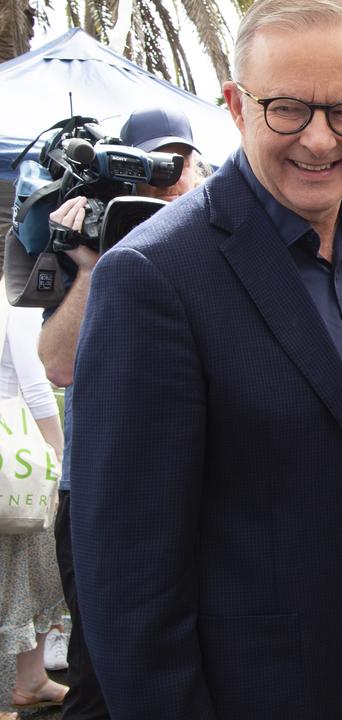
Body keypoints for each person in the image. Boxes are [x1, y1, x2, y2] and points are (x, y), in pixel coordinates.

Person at [67, 1, 342, 717]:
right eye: (287, 109)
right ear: (237, 105)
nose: (318, 139)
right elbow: (129, 585)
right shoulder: (154, 277)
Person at [37, 103, 206, 720]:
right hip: (100, 493)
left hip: (191, 494)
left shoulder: (213, 236)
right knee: (99, 678)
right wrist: (92, 265)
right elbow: (59, 365)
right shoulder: (92, 235)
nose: (165, 180)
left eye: (177, 164)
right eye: (150, 167)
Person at [0, 297, 67, 719]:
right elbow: (38, 384)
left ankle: (30, 681)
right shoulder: (14, 306)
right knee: (18, 579)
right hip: (12, 463)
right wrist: (58, 464)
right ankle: (12, 690)